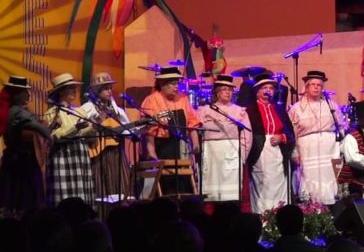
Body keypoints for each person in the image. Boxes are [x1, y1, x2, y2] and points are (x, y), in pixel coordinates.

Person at [140, 67, 202, 195]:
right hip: (163, 146)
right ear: (162, 84)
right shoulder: (151, 100)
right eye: (173, 84)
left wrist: (195, 144)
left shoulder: (183, 99)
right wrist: (151, 152)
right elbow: (148, 130)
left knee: (183, 182)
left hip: (181, 145)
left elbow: (192, 123)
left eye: (177, 83)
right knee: (166, 183)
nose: (176, 87)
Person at [288, 70, 345, 205]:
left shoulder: (331, 105)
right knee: (309, 177)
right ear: (306, 87)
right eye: (312, 84)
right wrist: (294, 152)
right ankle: (310, 207)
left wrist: (341, 146)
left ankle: (330, 205)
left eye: (319, 85)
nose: (316, 87)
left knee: (329, 176)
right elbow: (291, 133)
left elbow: (341, 126)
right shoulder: (296, 108)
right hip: (307, 148)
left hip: (329, 148)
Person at [245, 72, 296, 214]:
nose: (268, 90)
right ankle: (262, 217)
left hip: (278, 152)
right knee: (262, 183)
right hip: (259, 150)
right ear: (257, 92)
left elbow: (290, 133)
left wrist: (282, 137)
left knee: (279, 183)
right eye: (264, 88)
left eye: (271, 88)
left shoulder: (279, 109)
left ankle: (279, 216)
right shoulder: (249, 111)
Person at [44, 73, 97, 206]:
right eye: (71, 88)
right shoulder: (52, 113)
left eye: (75, 88)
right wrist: (75, 128)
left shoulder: (80, 111)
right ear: (61, 92)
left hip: (80, 155)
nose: (75, 91)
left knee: (81, 191)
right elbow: (54, 136)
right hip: (63, 155)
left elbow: (84, 135)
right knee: (64, 193)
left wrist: (95, 127)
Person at [0, 76, 51, 211]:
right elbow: (36, 126)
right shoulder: (17, 111)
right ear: (16, 94)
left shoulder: (14, 109)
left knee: (18, 196)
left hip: (18, 159)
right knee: (22, 195)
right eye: (25, 92)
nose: (28, 94)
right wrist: (49, 136)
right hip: (20, 160)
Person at [80, 72, 133, 202]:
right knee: (102, 189)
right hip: (98, 153)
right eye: (105, 88)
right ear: (96, 90)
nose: (109, 91)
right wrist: (98, 122)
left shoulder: (117, 111)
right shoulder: (87, 109)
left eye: (110, 88)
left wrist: (141, 128)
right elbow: (82, 131)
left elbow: (128, 131)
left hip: (116, 153)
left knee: (122, 187)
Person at [198, 75, 251, 202]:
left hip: (232, 152)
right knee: (212, 190)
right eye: (224, 89)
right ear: (217, 92)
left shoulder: (239, 111)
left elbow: (247, 135)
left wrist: (243, 155)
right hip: (212, 153)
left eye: (230, 90)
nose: (228, 92)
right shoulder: (205, 110)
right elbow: (197, 131)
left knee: (231, 192)